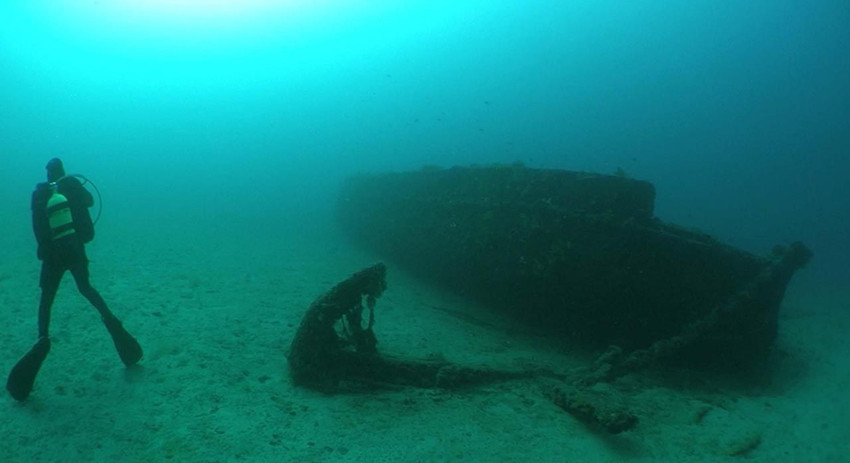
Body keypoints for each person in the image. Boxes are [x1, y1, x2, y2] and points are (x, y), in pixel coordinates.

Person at [6, 158, 143, 401]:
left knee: (46, 299)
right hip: (74, 250)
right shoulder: (71, 185)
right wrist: (75, 186)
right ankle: (111, 321)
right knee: (86, 288)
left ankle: (42, 337)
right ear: (64, 171)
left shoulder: (40, 194)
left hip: (52, 257)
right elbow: (90, 202)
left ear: (47, 174)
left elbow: (37, 227)